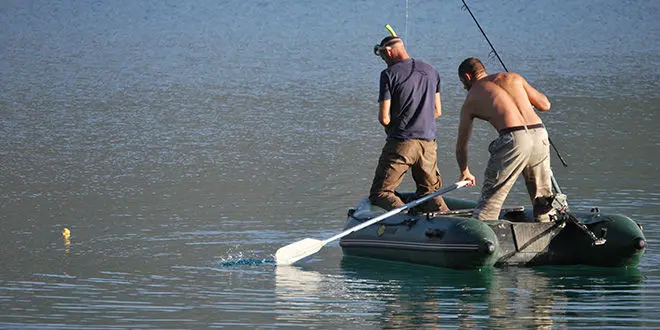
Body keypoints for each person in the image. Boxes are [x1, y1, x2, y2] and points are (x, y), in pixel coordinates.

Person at [455, 57, 555, 222]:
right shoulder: (513, 77)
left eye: (462, 82)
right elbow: (545, 105)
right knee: (543, 199)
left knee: (490, 200)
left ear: (467, 77)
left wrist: (464, 171)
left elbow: (461, 145)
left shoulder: (471, 97)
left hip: (514, 138)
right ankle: (548, 224)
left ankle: (482, 229)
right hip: (540, 134)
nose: (464, 87)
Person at [368, 35, 449, 213]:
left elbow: (384, 118)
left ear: (388, 51)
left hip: (402, 142)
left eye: (383, 57)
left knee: (381, 192)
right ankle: (448, 220)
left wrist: (395, 127)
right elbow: (437, 111)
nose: (384, 61)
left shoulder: (388, 74)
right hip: (428, 144)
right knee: (429, 193)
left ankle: (405, 217)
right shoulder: (431, 70)